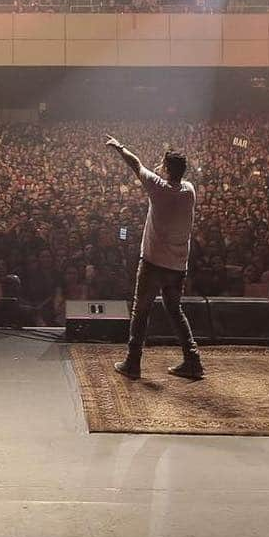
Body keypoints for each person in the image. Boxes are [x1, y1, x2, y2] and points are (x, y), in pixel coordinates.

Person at [104, 136, 203, 382]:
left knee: (141, 311)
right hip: (178, 265)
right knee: (174, 310)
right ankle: (193, 360)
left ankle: (133, 363)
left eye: (162, 164)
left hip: (153, 263)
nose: (159, 165)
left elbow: (135, 164)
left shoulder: (158, 187)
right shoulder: (189, 190)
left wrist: (120, 147)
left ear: (168, 169)